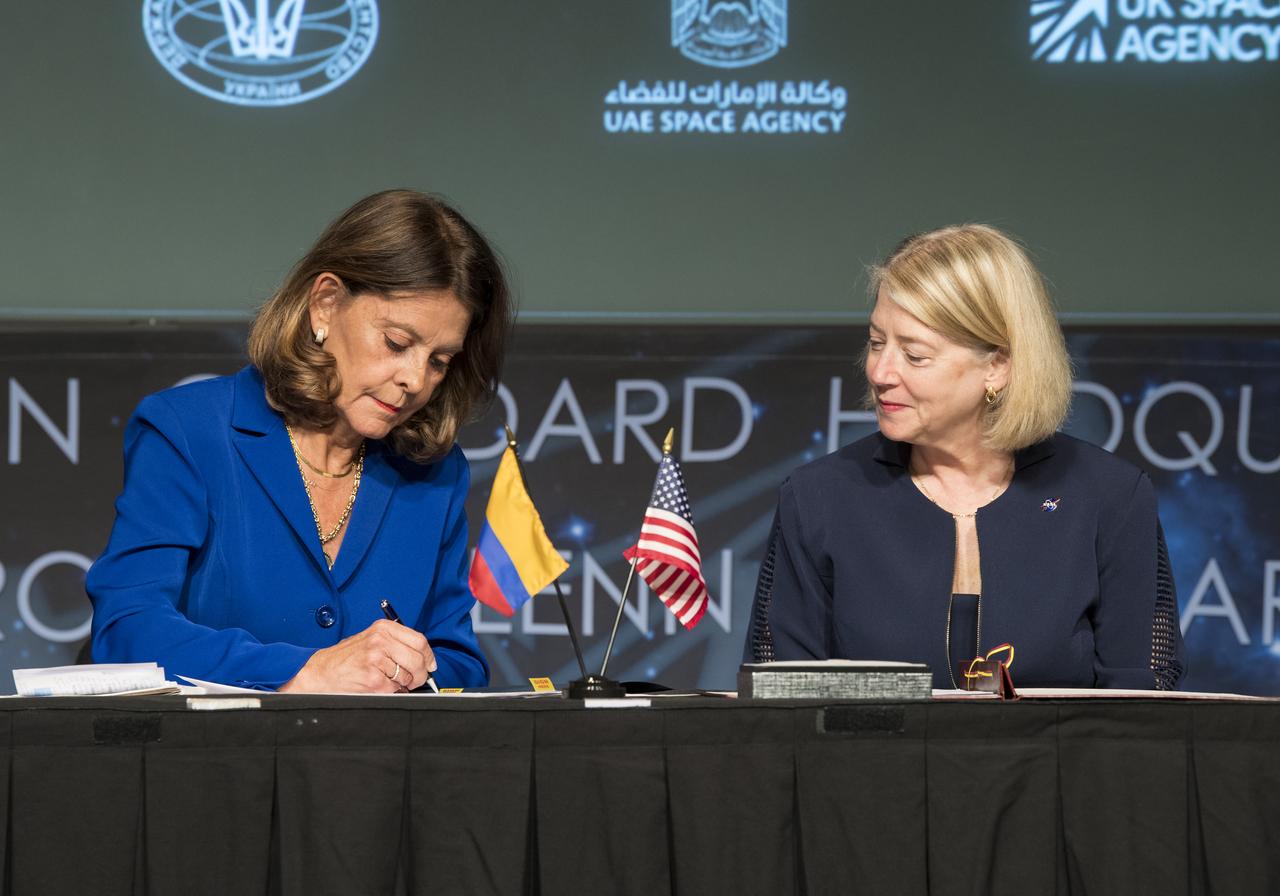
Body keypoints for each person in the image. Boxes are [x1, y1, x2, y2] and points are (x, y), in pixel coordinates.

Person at [87, 190, 511, 692]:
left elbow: (458, 660)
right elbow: (127, 632)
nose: (417, 380)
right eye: (397, 343)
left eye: (440, 360)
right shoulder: (187, 430)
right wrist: (307, 671)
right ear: (325, 305)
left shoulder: (437, 472)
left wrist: (414, 667)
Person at [746, 224, 1185, 690]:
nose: (880, 371)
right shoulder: (819, 498)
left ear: (997, 366)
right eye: (877, 343)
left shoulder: (1109, 498)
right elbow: (781, 703)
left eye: (914, 355)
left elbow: (1141, 708)